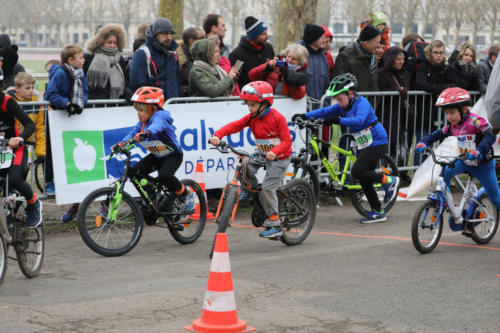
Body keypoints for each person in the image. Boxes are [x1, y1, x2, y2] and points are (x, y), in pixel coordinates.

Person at [292, 73, 400, 224]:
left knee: (357, 171)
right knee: (363, 178)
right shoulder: (344, 105)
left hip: (377, 141)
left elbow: (359, 120)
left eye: (340, 98)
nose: (338, 101)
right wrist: (305, 115)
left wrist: (337, 120)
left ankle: (388, 179)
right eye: (336, 99)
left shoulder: (362, 103)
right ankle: (378, 212)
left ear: (350, 93)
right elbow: (324, 111)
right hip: (364, 142)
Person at [209, 81, 292, 238]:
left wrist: (275, 152)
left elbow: (287, 142)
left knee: (268, 187)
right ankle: (253, 190)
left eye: (253, 105)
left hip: (280, 158)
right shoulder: (251, 117)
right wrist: (217, 135)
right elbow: (235, 126)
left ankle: (275, 223)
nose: (250, 108)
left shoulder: (277, 118)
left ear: (265, 104)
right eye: (248, 104)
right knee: (245, 163)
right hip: (262, 154)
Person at [415, 87, 500, 234]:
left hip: (483, 165)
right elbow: (436, 134)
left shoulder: (475, 121)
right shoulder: (453, 126)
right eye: (446, 113)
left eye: (452, 113)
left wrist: (479, 151)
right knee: (445, 172)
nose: (449, 117)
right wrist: (424, 142)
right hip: (465, 162)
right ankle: (446, 204)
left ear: (464, 108)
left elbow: (490, 135)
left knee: (495, 198)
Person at [116, 86, 195, 212]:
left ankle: (186, 194)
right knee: (133, 172)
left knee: (164, 176)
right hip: (158, 155)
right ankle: (152, 195)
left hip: (172, 155)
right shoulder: (143, 122)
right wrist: (121, 144)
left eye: (141, 110)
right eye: (137, 109)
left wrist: (147, 133)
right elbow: (132, 133)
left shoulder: (160, 116)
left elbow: (157, 126)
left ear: (152, 109)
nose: (138, 113)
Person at [44, 44, 89, 222]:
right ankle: (50, 182)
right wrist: (66, 104)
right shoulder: (61, 73)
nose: (84, 60)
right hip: (57, 118)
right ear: (70, 60)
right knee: (53, 151)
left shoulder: (80, 73)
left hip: (73, 119)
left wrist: (80, 104)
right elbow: (51, 94)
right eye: (80, 57)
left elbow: (85, 92)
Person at [0, 68, 41, 227]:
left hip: (16, 150)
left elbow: (30, 124)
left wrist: (19, 138)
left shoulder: (7, 102)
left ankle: (34, 203)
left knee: (15, 179)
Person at [377, 46, 412, 183]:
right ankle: (384, 175)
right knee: (386, 148)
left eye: (403, 59)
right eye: (398, 59)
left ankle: (400, 174)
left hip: (401, 116)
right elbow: (381, 91)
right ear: (391, 59)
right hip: (387, 114)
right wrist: (396, 90)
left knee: (401, 148)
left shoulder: (406, 73)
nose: (401, 61)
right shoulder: (382, 73)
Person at [6, 72, 47, 187]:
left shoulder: (36, 104)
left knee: (22, 175)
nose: (31, 90)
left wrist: (40, 152)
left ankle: (18, 199)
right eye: (27, 88)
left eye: (32, 88)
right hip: (9, 145)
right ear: (17, 89)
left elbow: (39, 129)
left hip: (26, 146)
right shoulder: (8, 101)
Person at [129, 18, 181, 99]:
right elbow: (137, 85)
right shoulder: (142, 53)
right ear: (155, 34)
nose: (169, 37)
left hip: (173, 104)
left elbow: (177, 80)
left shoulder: (172, 52)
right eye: (165, 33)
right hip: (151, 107)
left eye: (171, 33)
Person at [83, 24, 130, 100]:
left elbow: (125, 82)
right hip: (94, 105)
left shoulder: (119, 58)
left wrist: (127, 92)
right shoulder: (88, 57)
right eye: (109, 42)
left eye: (115, 43)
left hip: (115, 104)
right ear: (100, 41)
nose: (112, 46)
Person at [229, 16, 275, 89]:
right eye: (263, 34)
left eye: (267, 32)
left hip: (267, 94)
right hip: (248, 97)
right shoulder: (237, 54)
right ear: (254, 36)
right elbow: (234, 81)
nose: (267, 36)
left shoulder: (269, 48)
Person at [333, 25, 381, 93]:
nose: (379, 45)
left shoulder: (373, 59)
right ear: (366, 43)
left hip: (369, 102)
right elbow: (339, 84)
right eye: (377, 42)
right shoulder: (345, 57)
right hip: (354, 102)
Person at [298, 24, 330, 108]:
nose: (324, 40)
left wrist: (326, 103)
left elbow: (327, 83)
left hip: (321, 108)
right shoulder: (298, 53)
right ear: (313, 39)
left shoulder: (323, 56)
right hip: (303, 107)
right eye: (321, 38)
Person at [177, 27, 204, 96]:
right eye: (201, 38)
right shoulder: (178, 59)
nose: (205, 41)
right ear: (192, 41)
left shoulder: (199, 55)